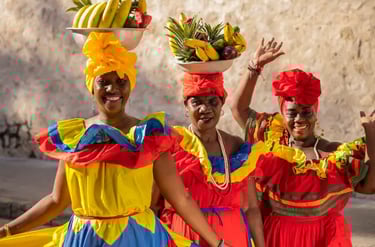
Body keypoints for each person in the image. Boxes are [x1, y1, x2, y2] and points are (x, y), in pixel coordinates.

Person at [0, 32, 229, 247]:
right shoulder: (73, 136)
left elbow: (181, 199)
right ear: (91, 85)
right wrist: (8, 231)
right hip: (84, 239)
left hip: (137, 238)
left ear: (131, 85)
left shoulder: (149, 136)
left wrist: (217, 243)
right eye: (104, 81)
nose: (113, 89)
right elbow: (56, 200)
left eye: (121, 81)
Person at [230, 38, 375, 246]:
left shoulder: (332, 154)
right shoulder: (270, 139)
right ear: (282, 113)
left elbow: (369, 186)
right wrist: (254, 66)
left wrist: (371, 133)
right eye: (292, 113)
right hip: (276, 238)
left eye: (306, 112)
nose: (299, 119)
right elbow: (238, 109)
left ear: (315, 112)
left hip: (322, 240)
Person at [153, 72, 265, 247]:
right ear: (186, 106)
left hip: (233, 238)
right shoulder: (171, 145)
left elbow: (251, 208)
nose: (205, 109)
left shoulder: (238, 148)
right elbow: (154, 206)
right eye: (196, 102)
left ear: (222, 104)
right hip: (186, 238)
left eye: (213, 102)